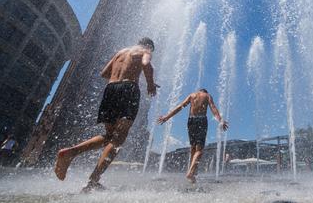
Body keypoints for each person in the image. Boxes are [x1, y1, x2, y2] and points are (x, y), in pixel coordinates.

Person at [54, 37, 159, 192]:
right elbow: (146, 64)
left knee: (109, 136)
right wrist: (150, 84)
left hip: (110, 89)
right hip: (128, 89)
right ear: (148, 46)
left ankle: (72, 152)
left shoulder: (120, 52)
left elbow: (104, 73)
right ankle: (93, 181)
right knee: (119, 138)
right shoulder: (145, 50)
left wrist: (120, 76)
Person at [158, 89, 228, 183]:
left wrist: (167, 116)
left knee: (193, 148)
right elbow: (213, 108)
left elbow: (180, 106)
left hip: (191, 121)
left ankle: (193, 171)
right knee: (199, 150)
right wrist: (221, 120)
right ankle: (190, 172)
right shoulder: (207, 96)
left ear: (199, 91)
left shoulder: (192, 95)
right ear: (205, 91)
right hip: (201, 121)